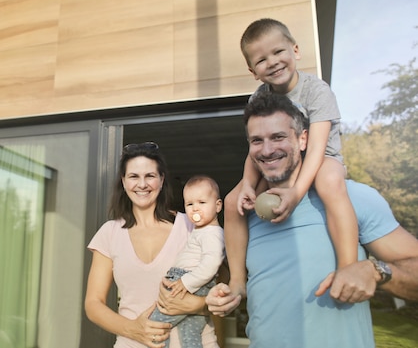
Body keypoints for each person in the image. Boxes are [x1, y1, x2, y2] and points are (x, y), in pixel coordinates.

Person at [206, 92, 418, 347]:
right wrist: (230, 293)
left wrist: (377, 272)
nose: (267, 149)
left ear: (303, 139)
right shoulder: (247, 212)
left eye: (278, 137)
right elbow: (241, 287)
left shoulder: (352, 197)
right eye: (256, 141)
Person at [224, 18, 359, 301]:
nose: (272, 62)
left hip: (321, 157)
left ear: (295, 50)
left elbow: (318, 147)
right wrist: (248, 184)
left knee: (330, 181)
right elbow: (255, 147)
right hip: (278, 161)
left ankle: (348, 266)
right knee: (232, 202)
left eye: (278, 52)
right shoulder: (258, 98)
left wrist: (296, 192)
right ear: (253, 71)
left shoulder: (316, 90)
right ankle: (237, 280)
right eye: (261, 60)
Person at [84, 142, 220, 348]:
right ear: (123, 181)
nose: (142, 184)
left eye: (150, 176)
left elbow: (223, 286)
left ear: (161, 179)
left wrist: (200, 304)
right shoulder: (109, 233)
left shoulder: (191, 225)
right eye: (133, 177)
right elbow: (93, 305)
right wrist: (133, 330)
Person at [149, 175, 225, 348]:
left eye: (202, 203)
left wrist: (185, 282)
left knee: (156, 326)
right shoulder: (202, 231)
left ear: (218, 206)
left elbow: (211, 265)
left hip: (191, 283)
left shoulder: (212, 234)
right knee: (189, 337)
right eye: (190, 204)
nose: (195, 209)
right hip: (191, 283)